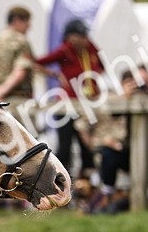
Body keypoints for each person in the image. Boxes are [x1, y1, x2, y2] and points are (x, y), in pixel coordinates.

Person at [88, 69, 148, 213]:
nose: (142, 85)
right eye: (139, 81)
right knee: (109, 153)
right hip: (136, 150)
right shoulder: (132, 99)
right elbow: (114, 113)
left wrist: (145, 96)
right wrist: (125, 97)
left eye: (146, 81)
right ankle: (107, 193)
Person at [34, 18, 104, 177]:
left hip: (87, 106)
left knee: (87, 149)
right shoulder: (65, 50)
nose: (84, 38)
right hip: (66, 107)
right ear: (71, 37)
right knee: (65, 148)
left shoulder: (90, 49)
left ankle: (87, 188)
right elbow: (36, 63)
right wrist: (55, 74)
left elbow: (102, 66)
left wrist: (91, 84)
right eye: (80, 35)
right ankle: (60, 184)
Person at [0, 6, 36, 103]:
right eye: (27, 21)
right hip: (16, 100)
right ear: (17, 20)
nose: (29, 26)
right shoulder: (20, 41)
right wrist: (0, 92)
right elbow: (20, 71)